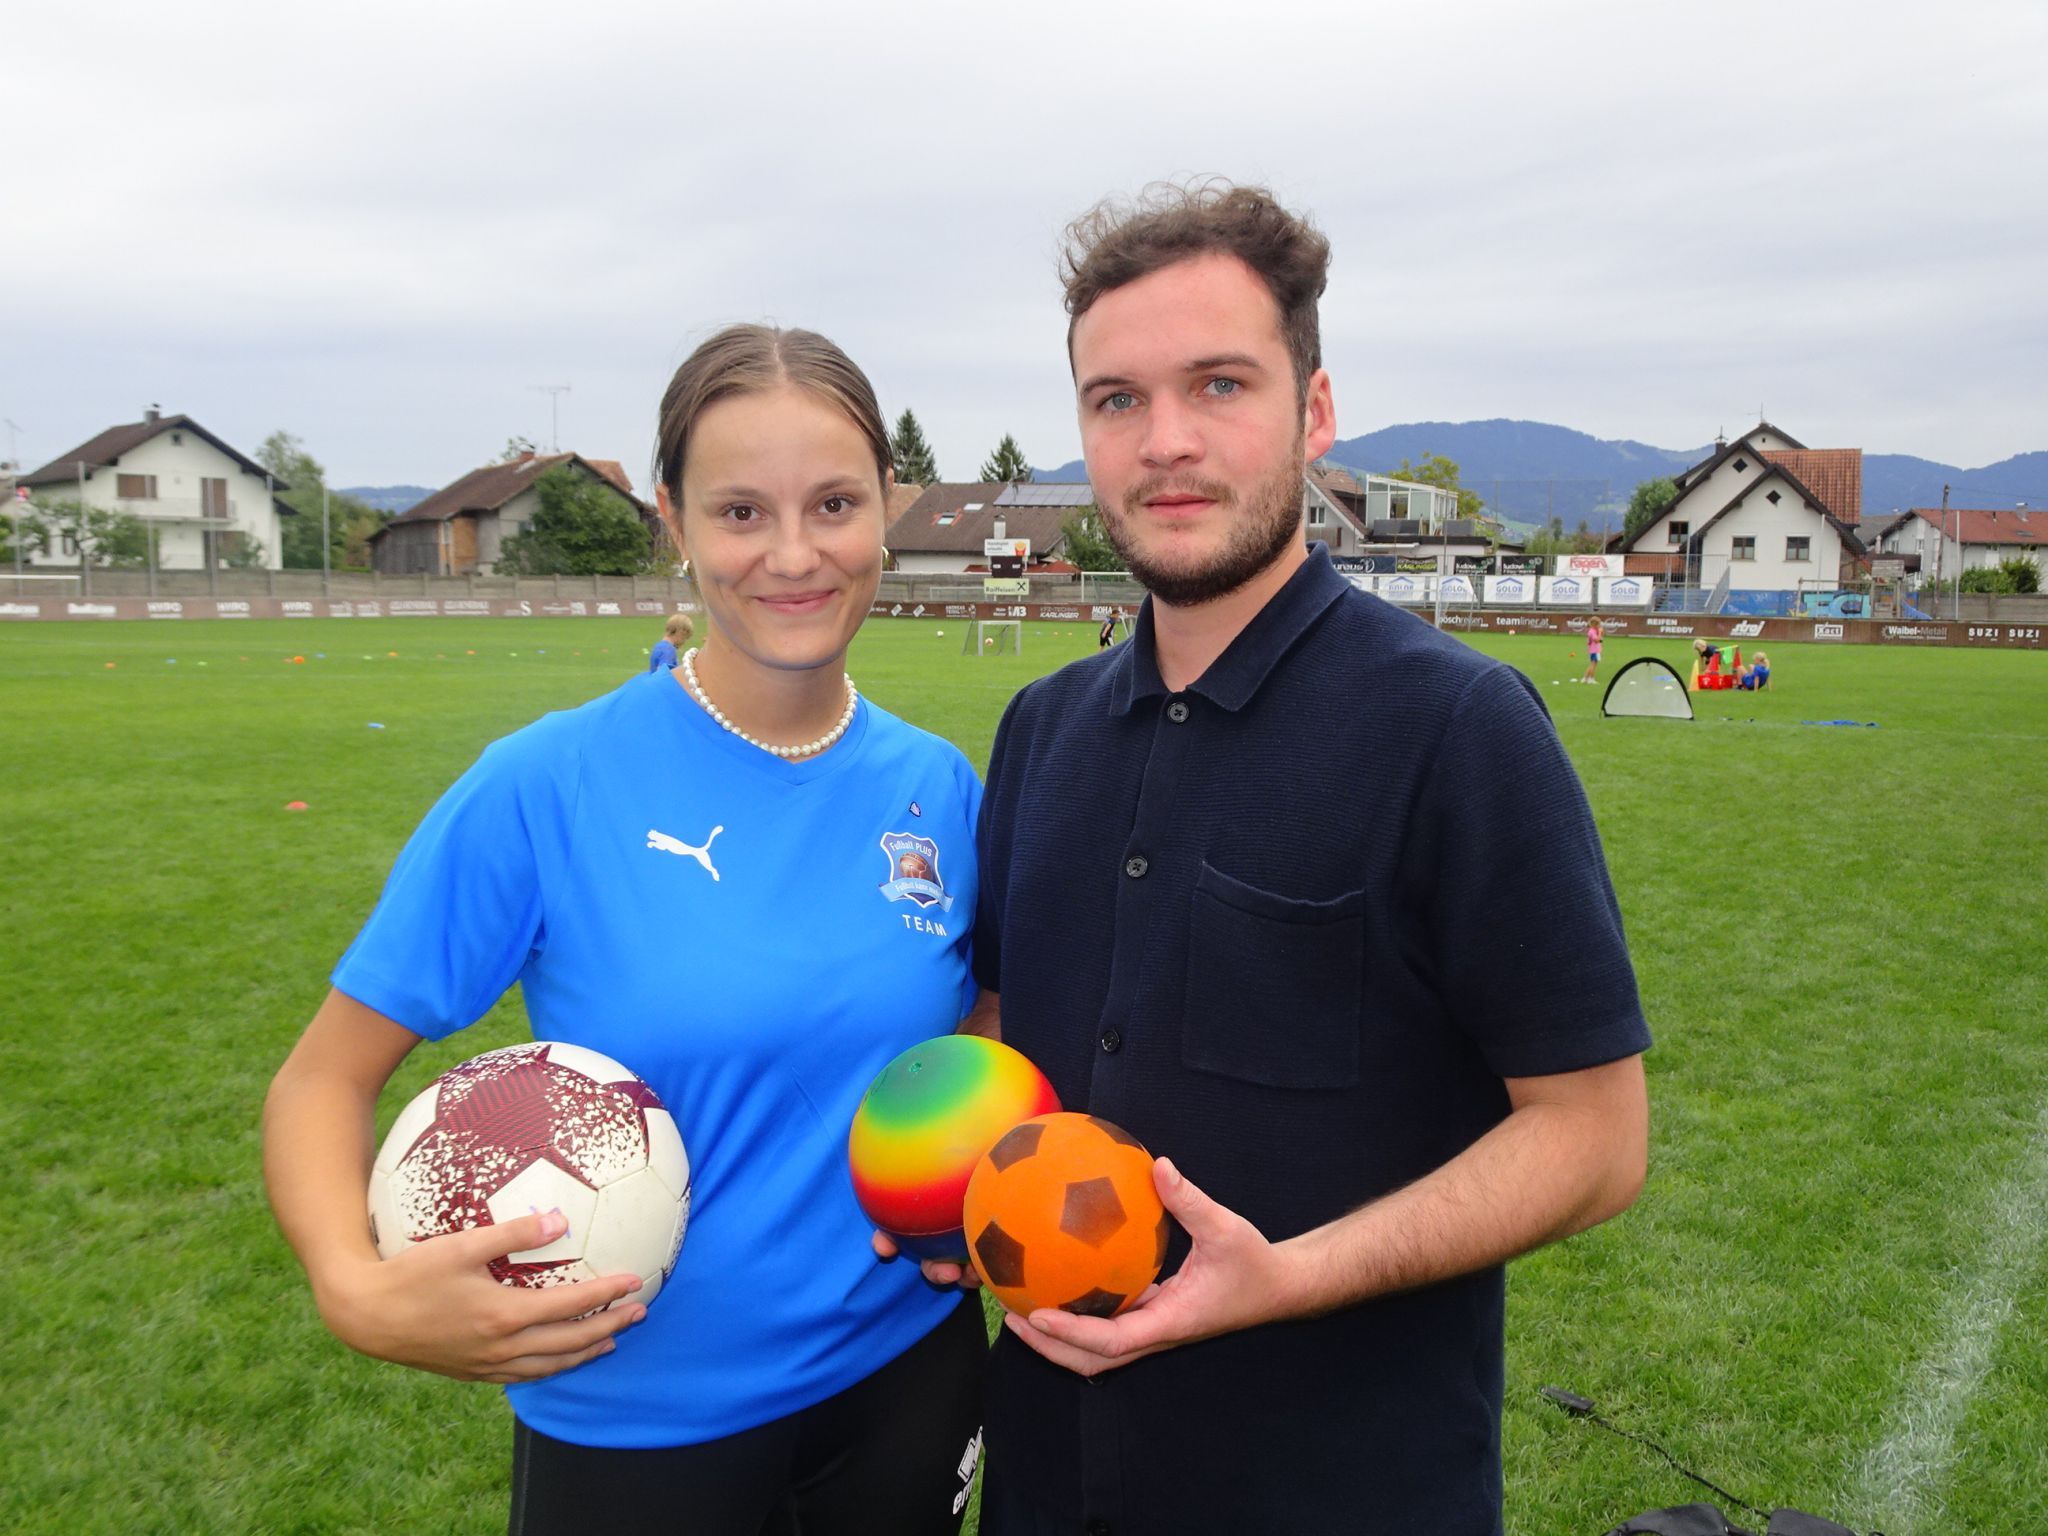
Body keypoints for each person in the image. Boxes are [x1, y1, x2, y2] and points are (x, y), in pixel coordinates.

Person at [909, 183, 1651, 1535]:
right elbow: (1003, 1044)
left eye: (1220, 384)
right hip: (1045, 1482)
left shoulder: (1455, 728)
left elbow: (1595, 1141)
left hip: (1339, 1491)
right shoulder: (1041, 729)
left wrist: (1288, 1276)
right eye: (1117, 400)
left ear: (1314, 412)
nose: (1166, 441)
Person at [264, 324, 988, 1536]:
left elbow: (965, 1029)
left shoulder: (938, 786)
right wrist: (353, 1290)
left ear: (887, 507)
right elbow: (318, 1084)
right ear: (673, 519)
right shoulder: (544, 785)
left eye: (833, 504)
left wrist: (968, 1183)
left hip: (908, 1376)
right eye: (742, 512)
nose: (795, 554)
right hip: (637, 1418)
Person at [1579, 615, 1605, 683]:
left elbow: (1600, 640)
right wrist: (1599, 633)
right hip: (1594, 651)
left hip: (1596, 650)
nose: (1599, 626)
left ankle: (1585, 679)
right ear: (1594, 624)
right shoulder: (1592, 631)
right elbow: (1596, 640)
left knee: (1593, 665)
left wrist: (1601, 634)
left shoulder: (1594, 631)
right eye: (1598, 624)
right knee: (1593, 665)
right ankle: (1590, 678)